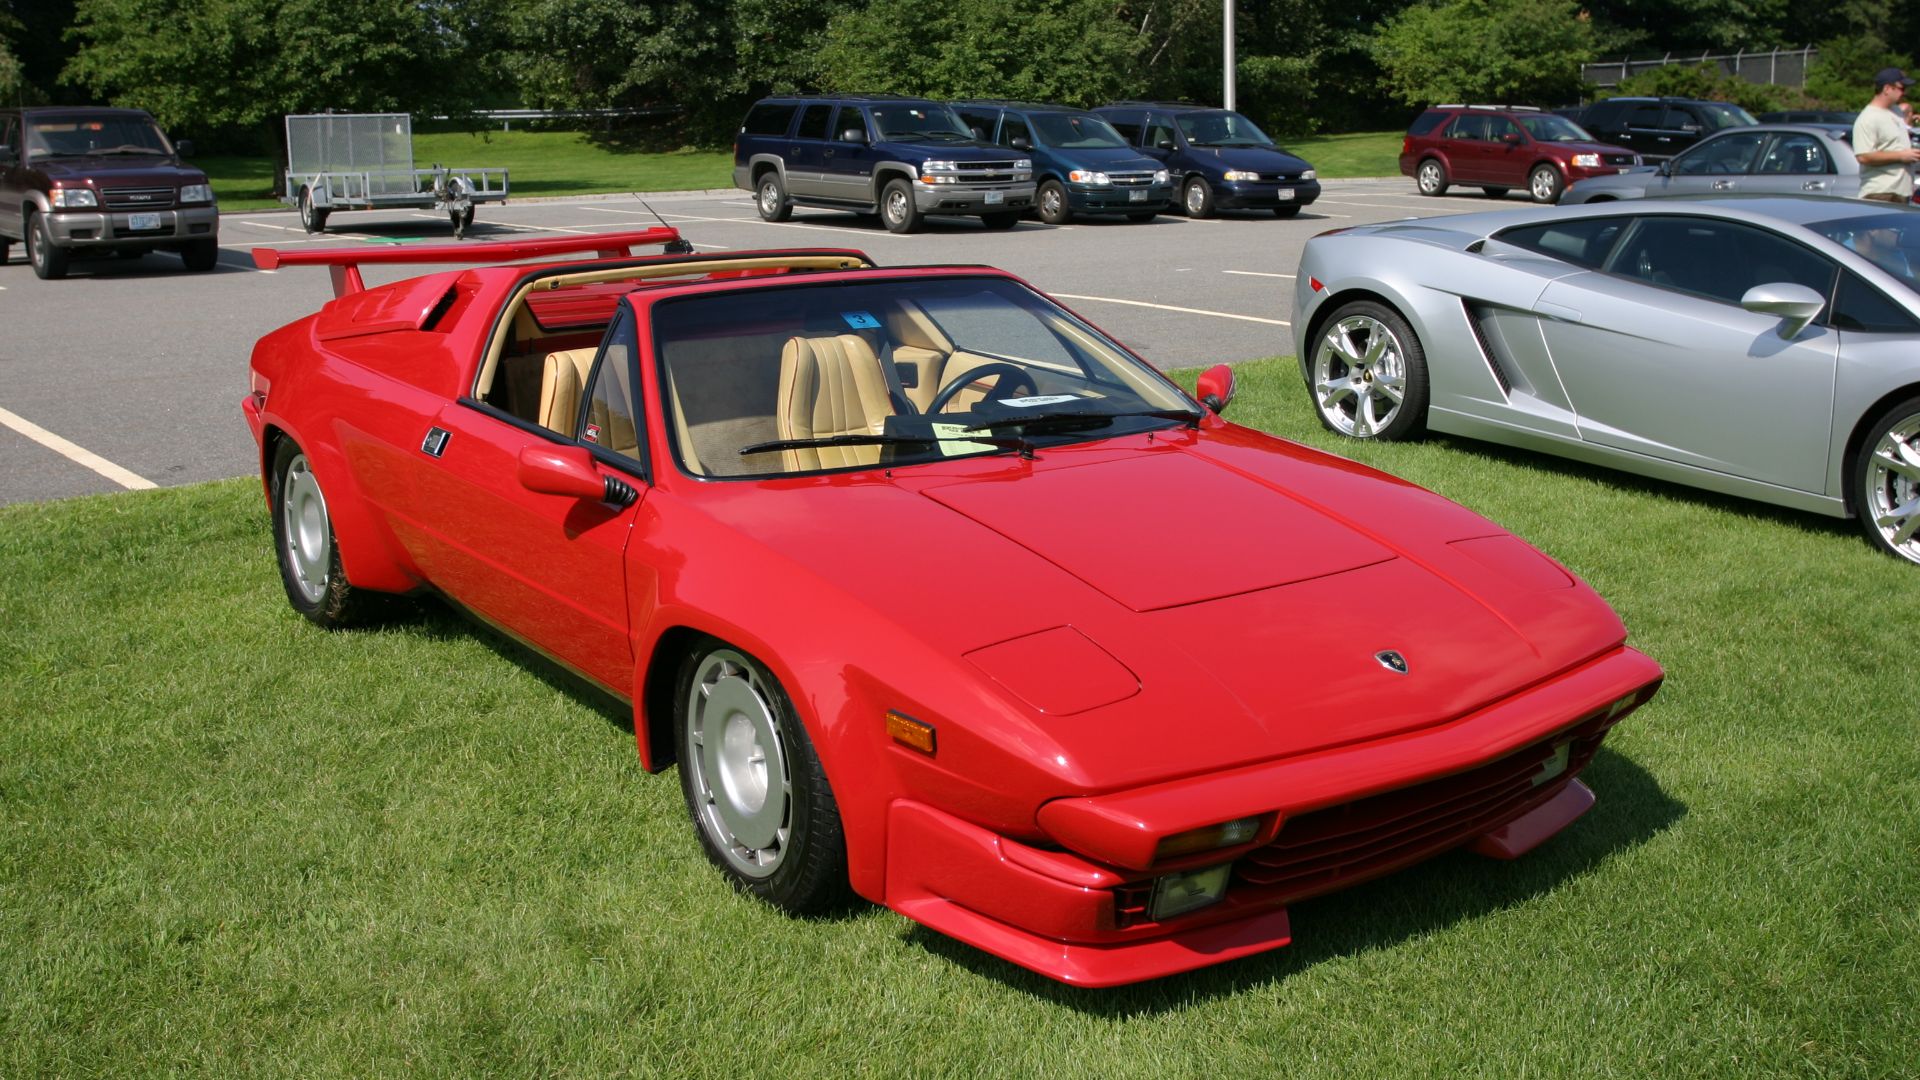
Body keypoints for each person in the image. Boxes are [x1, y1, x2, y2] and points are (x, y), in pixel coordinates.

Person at [1853, 67, 1920, 203]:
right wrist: (1902, 156)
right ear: (1887, 88)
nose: (1905, 93)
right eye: (1902, 88)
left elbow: (1897, 142)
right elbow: (1863, 156)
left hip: (1902, 192)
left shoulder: (1896, 111)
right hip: (1881, 193)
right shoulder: (1868, 118)